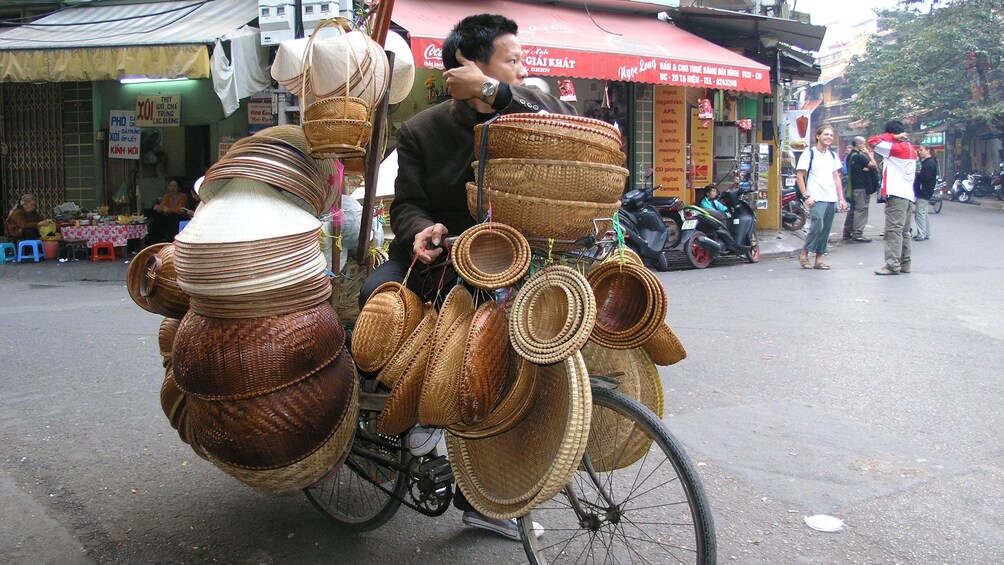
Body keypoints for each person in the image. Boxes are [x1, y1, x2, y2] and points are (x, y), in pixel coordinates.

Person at [358, 13, 574, 541]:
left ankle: (493, 485)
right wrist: (420, 231)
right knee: (378, 299)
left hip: (521, 264)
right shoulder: (421, 130)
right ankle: (416, 419)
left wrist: (498, 91)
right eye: (512, 59)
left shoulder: (524, 112)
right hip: (446, 265)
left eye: (521, 61)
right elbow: (405, 202)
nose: (524, 69)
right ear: (469, 63)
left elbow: (569, 125)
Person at [869, 120, 917, 275]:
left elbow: (873, 141)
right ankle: (905, 263)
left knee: (893, 231)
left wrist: (891, 137)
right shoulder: (911, 149)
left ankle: (892, 265)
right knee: (905, 231)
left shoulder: (895, 148)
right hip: (908, 195)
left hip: (896, 195)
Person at [795, 125, 847, 270]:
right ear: (818, 136)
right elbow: (800, 176)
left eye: (831, 135)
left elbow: (836, 177)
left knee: (826, 229)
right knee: (817, 225)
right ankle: (804, 253)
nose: (829, 137)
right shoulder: (809, 154)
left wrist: (841, 198)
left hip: (830, 197)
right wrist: (806, 196)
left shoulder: (832, 156)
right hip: (816, 197)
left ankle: (819, 258)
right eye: (826, 134)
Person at [841, 136, 878, 243]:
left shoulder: (849, 156)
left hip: (853, 187)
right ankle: (858, 233)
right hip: (861, 187)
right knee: (861, 210)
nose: (864, 146)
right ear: (860, 145)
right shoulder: (859, 157)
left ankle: (847, 233)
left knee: (853, 210)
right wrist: (869, 154)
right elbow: (874, 165)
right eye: (863, 144)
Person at [145, 179, 189, 244]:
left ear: (179, 188)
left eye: (174, 186)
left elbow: (180, 210)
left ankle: (170, 238)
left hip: (178, 218)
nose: (172, 188)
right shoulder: (167, 196)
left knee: (172, 216)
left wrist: (168, 209)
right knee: (157, 216)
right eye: (170, 186)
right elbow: (162, 207)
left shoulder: (183, 196)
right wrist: (158, 207)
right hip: (168, 218)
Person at [913, 145, 937, 241]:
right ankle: (926, 233)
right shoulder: (928, 163)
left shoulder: (929, 164)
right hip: (925, 191)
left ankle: (921, 234)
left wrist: (917, 173)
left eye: (921, 150)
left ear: (928, 151)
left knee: (919, 213)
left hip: (924, 191)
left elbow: (925, 177)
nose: (920, 152)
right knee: (924, 213)